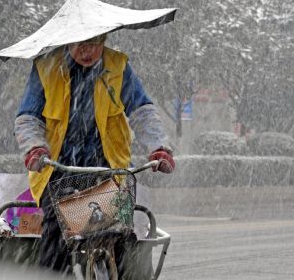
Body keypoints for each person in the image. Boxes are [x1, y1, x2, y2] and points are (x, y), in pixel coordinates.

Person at [14, 33, 175, 276]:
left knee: (122, 237)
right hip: (58, 169)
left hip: (108, 168)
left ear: (104, 39)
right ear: (67, 41)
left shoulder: (117, 66)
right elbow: (28, 117)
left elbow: (142, 111)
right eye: (80, 44)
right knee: (55, 237)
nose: (87, 51)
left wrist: (159, 147)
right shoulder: (46, 67)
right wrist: (34, 147)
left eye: (94, 44)